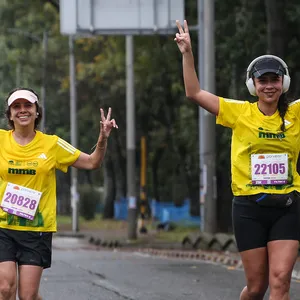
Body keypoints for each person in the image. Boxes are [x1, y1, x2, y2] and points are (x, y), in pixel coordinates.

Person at [175, 20, 300, 300]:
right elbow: (194, 93)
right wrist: (187, 54)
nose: (269, 86)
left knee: (281, 280)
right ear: (253, 85)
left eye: (274, 80)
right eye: (263, 81)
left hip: (288, 206)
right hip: (248, 209)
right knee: (257, 288)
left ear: (284, 82)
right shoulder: (238, 112)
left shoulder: (296, 113)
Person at [0, 87, 118, 300]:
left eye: (28, 105)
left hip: (37, 230)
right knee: (5, 288)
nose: (22, 110)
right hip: (3, 227)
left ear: (37, 112)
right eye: (16, 106)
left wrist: (103, 138)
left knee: (28, 296)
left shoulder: (52, 144)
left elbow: (92, 162)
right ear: (9, 114)